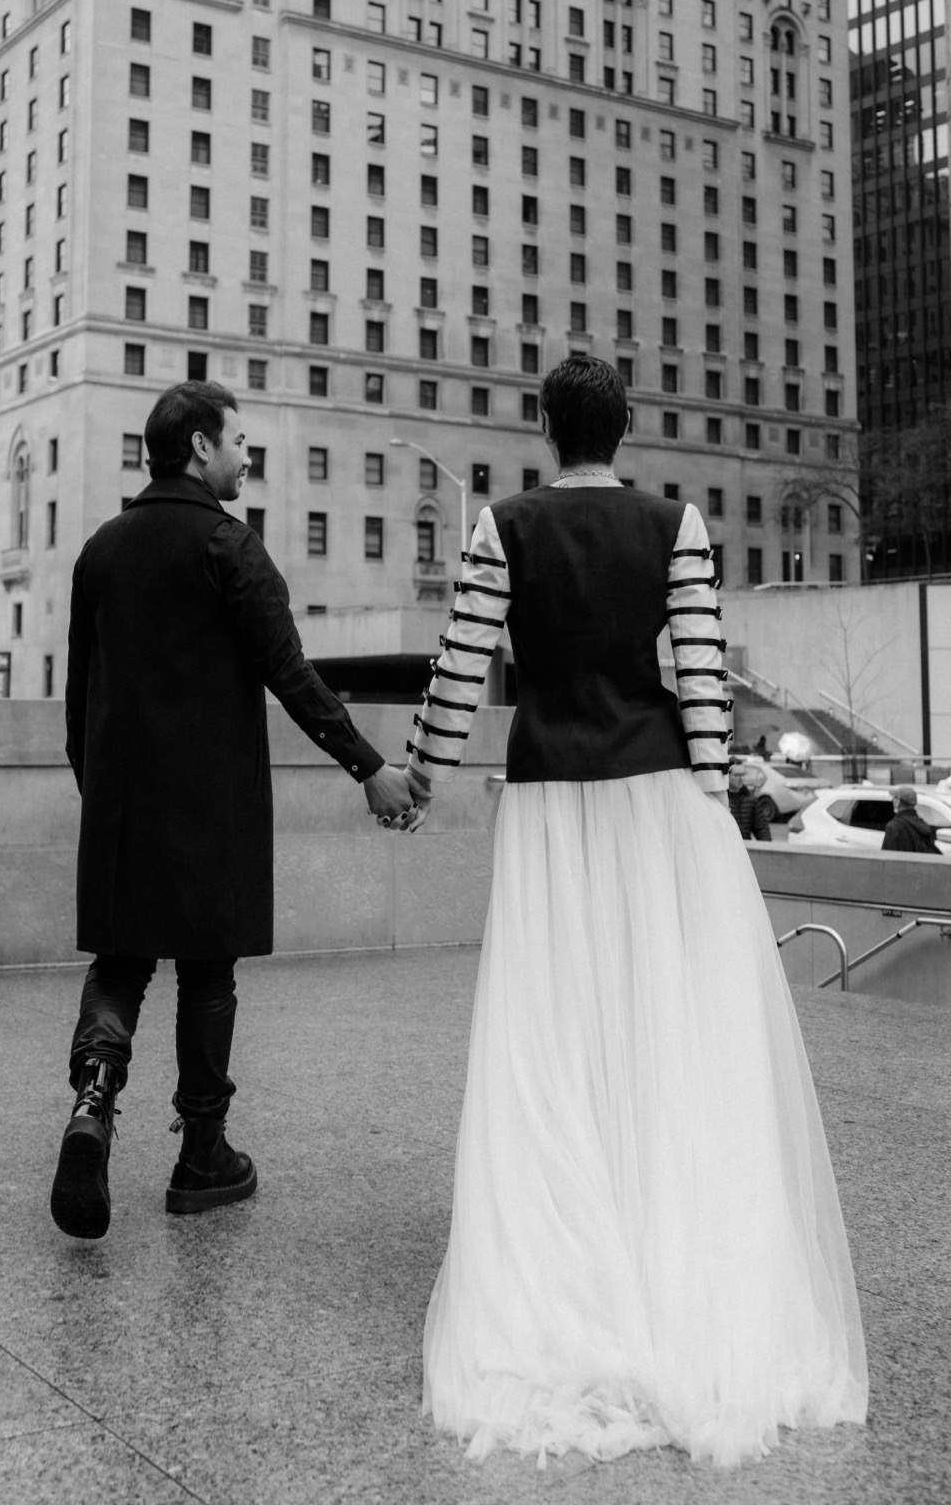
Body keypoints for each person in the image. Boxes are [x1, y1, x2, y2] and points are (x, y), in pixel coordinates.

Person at [399, 356, 867, 1468]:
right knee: (666, 1027)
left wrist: (417, 770)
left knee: (552, 1024)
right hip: (658, 794)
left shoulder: (499, 528)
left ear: (543, 429)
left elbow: (460, 672)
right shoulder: (678, 524)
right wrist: (710, 793)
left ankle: (567, 1260)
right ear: (623, 431)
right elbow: (700, 678)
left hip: (553, 794)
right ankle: (672, 1252)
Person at [52, 381, 412, 1239]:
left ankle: (93, 1102)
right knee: (208, 973)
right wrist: (368, 767)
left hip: (121, 805)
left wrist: (103, 795)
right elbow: (291, 674)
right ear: (201, 448)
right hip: (212, 807)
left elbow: (76, 704)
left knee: (120, 963)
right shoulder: (230, 546)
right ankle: (201, 1155)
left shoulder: (100, 551)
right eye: (239, 441)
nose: (247, 456)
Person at [881, 785, 941, 854]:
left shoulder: (894, 826)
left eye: (895, 797)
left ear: (898, 802)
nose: (893, 800)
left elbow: (887, 856)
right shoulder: (922, 824)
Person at [727, 759, 772, 841]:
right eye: (736, 775)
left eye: (743, 775)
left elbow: (762, 828)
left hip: (746, 848)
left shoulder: (751, 799)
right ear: (727, 776)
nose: (740, 779)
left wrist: (766, 849)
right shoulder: (721, 801)